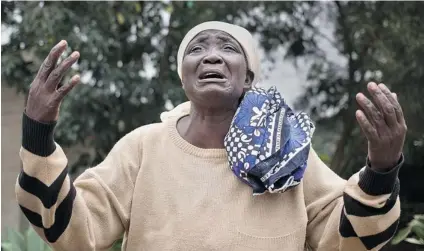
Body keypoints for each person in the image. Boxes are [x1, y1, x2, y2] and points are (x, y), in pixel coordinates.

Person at [16, 21, 406, 251]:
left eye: (228, 49)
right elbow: (69, 230)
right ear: (184, 76)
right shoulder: (144, 146)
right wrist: (37, 133)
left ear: (248, 76)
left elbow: (350, 242)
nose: (212, 56)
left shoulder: (288, 151)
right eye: (197, 49)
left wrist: (381, 170)